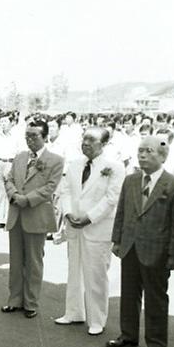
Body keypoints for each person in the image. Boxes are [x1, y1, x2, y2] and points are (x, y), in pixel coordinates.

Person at [107, 136, 174, 347]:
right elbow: (121, 212)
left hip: (157, 251)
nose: (142, 155)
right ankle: (128, 335)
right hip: (130, 246)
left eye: (148, 151)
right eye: (140, 151)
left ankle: (156, 344)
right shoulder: (131, 181)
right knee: (128, 293)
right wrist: (117, 240)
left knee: (156, 298)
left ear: (163, 156)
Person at [55, 128, 124, 335]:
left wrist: (89, 217)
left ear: (103, 144)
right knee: (74, 270)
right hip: (74, 225)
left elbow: (112, 199)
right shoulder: (75, 164)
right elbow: (65, 191)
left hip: (97, 227)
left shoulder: (115, 167)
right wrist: (68, 213)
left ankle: (97, 320)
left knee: (96, 275)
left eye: (91, 139)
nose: (85, 142)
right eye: (84, 138)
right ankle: (74, 312)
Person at [1, 120, 64, 318]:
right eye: (27, 135)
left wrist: (26, 200)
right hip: (16, 214)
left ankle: (31, 302)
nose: (30, 140)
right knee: (16, 260)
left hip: (35, 215)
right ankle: (14, 299)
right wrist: (14, 195)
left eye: (34, 136)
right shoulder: (20, 157)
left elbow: (50, 188)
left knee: (34, 261)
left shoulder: (55, 160)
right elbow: (9, 178)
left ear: (45, 137)